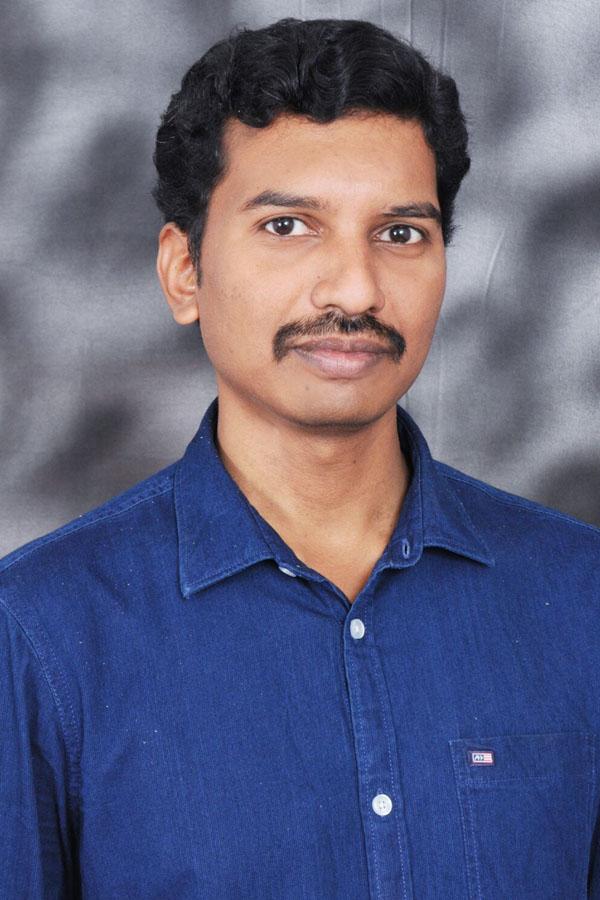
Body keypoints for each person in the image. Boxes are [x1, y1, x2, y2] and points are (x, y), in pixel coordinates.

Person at [1, 15, 599, 899]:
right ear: (184, 272)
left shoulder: (580, 599)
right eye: (288, 225)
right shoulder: (41, 632)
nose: (355, 287)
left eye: (401, 233)